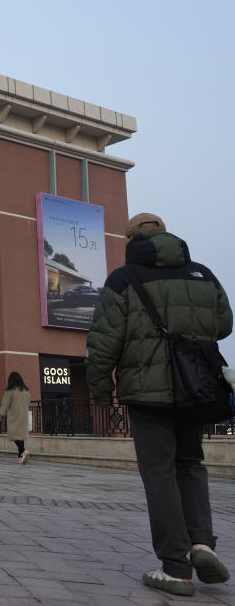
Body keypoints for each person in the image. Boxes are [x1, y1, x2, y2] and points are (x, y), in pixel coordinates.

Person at [87, 213, 232, 597]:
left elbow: (104, 342)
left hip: (146, 393)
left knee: (160, 473)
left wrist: (101, 390)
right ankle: (202, 544)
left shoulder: (122, 279)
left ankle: (176, 567)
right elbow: (223, 325)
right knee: (190, 464)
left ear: (131, 240)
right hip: (195, 387)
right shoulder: (202, 273)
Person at [0, 372, 31, 464]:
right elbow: (28, 402)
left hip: (14, 415)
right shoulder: (26, 390)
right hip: (24, 416)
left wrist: (1, 414)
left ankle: (23, 451)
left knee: (14, 435)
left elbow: (5, 403)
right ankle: (20, 456)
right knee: (20, 436)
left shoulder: (10, 390)